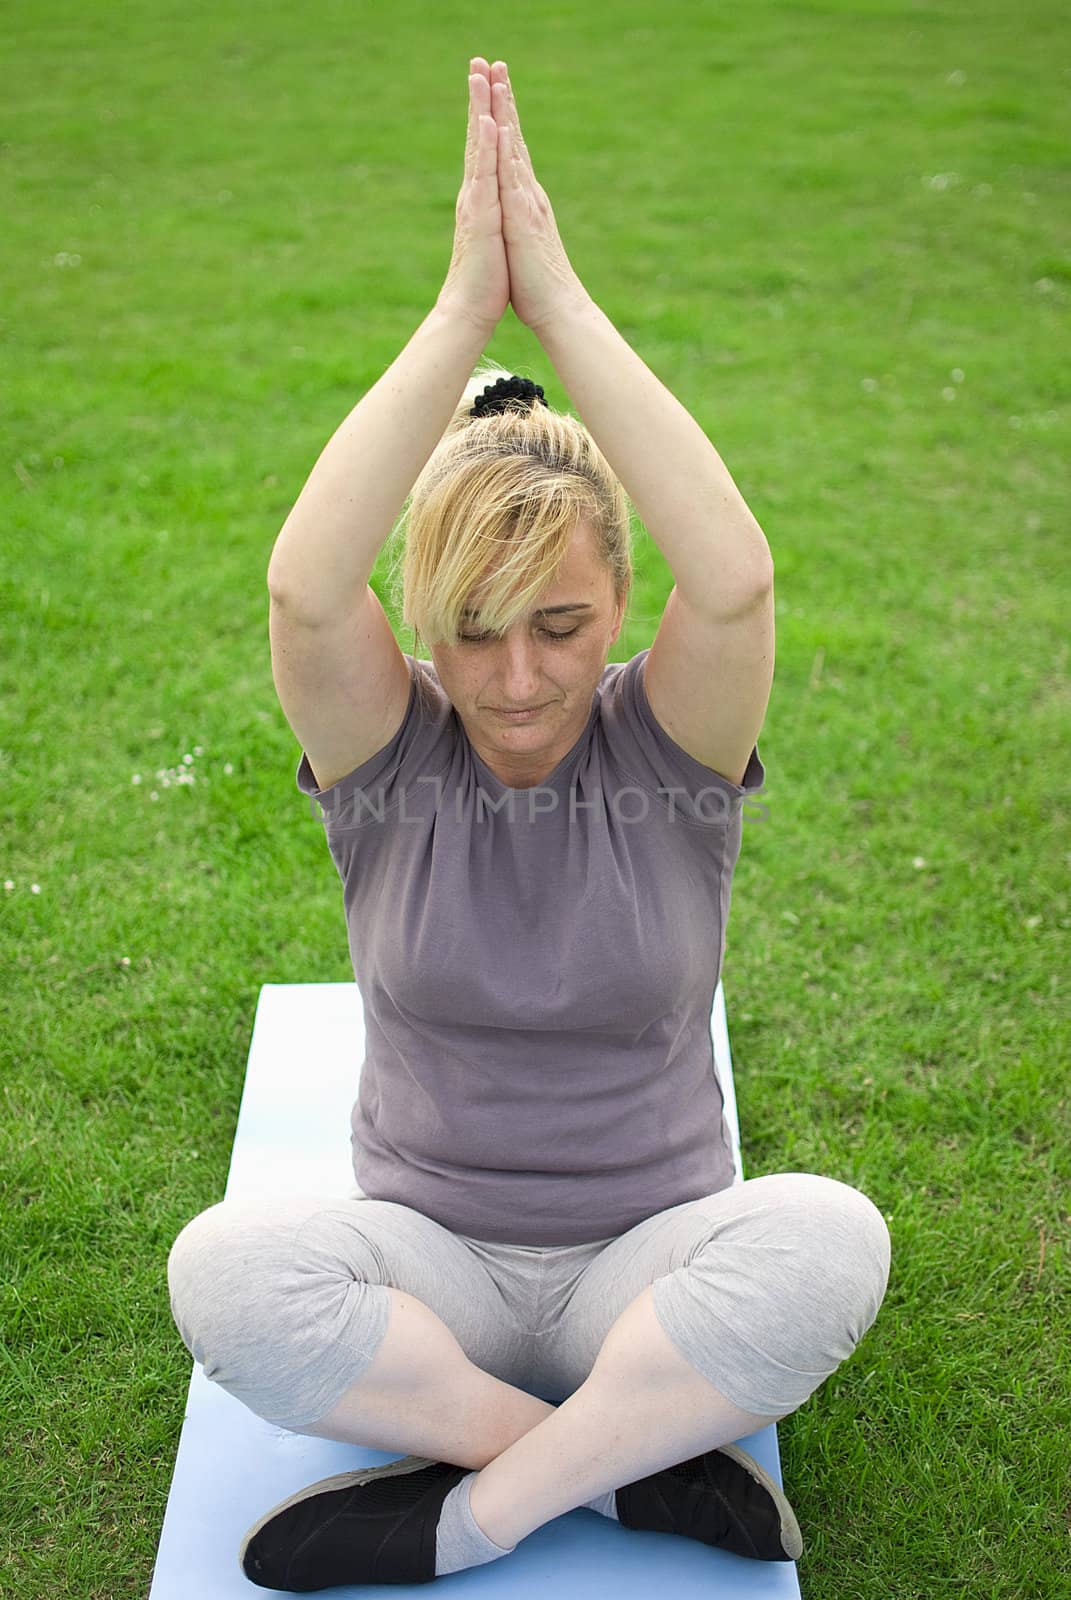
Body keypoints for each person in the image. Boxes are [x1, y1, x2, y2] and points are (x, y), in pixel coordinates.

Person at [167, 56, 891, 1593]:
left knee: (833, 1236)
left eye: (561, 626)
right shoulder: (391, 753)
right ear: (429, 619)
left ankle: (461, 1511)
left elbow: (744, 579)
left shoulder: (675, 741)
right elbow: (306, 591)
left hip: (655, 1252)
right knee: (222, 1272)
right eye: (473, 628)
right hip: (433, 1262)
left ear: (622, 605)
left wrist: (553, 301)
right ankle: (626, 1471)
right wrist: (456, 319)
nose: (513, 680)